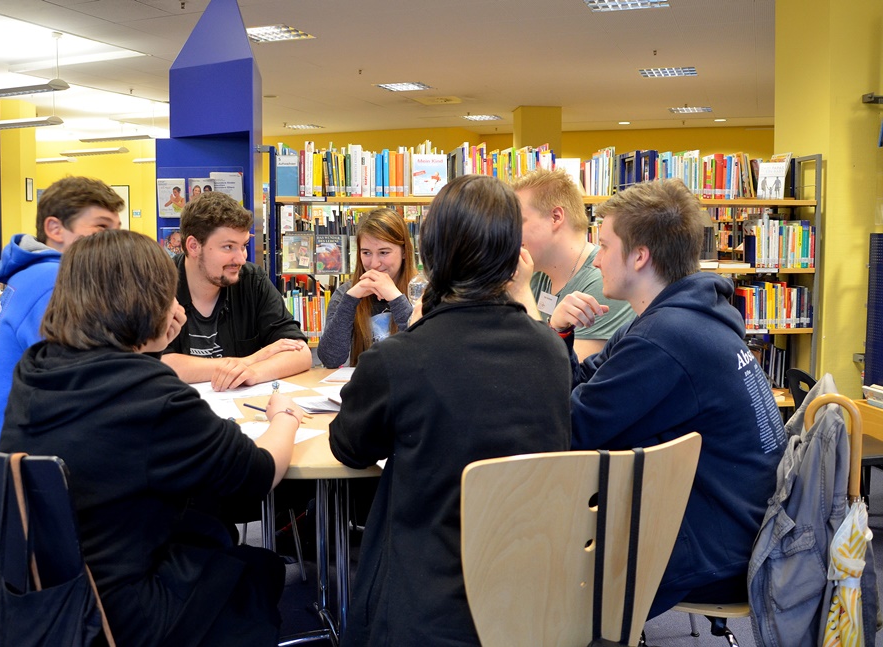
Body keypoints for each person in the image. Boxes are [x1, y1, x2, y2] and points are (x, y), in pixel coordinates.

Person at [0, 229, 303, 646]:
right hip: (126, 611)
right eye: (166, 294)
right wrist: (284, 415)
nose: (175, 305)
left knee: (212, 532)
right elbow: (259, 473)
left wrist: (154, 341)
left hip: (54, 593)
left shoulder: (37, 367)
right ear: (146, 299)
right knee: (259, 569)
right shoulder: (150, 394)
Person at [328, 174, 572, 646]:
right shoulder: (551, 351)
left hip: (425, 604)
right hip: (530, 595)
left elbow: (349, 448)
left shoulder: (401, 359)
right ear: (513, 253)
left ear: (430, 253)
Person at [548, 178, 788, 618]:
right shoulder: (670, 317)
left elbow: (570, 431)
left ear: (639, 256)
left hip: (720, 550)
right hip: (728, 525)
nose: (596, 259)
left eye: (604, 246)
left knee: (542, 571)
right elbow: (581, 382)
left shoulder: (666, 338)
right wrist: (560, 334)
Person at [0, 176, 122, 450]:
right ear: (55, 229)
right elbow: (82, 380)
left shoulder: (36, 272)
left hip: (2, 444)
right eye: (101, 227)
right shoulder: (53, 280)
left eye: (117, 230)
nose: (114, 241)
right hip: (12, 459)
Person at [162, 191, 311, 390]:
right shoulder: (158, 285)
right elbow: (157, 363)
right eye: (228, 247)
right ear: (193, 246)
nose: (241, 259)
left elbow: (300, 352)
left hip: (242, 406)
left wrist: (253, 373)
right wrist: (250, 361)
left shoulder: (252, 280)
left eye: (243, 246)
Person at [510, 168, 633, 358]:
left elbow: (561, 372)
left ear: (556, 217)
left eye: (518, 221)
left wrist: (521, 291)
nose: (510, 232)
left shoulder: (605, 281)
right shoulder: (535, 273)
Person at [318, 208, 416, 368]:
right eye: (366, 253)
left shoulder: (422, 291)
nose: (374, 264)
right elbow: (330, 359)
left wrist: (396, 298)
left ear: (404, 252)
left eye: (384, 252)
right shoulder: (345, 293)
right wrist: (350, 300)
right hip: (363, 381)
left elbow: (426, 353)